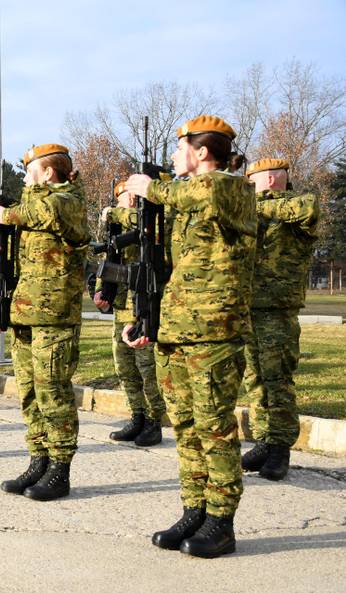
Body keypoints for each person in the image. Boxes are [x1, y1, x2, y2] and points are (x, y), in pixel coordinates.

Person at [123, 115, 256, 558]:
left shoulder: (229, 189)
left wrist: (150, 187)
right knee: (183, 425)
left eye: (181, 149)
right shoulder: (186, 202)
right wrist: (147, 319)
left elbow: (206, 191)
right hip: (178, 330)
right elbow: (164, 268)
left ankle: (222, 521)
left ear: (202, 152)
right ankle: (194, 510)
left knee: (214, 427)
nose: (175, 158)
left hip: (214, 331)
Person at [0, 144, 89, 499]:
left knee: (53, 391)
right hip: (26, 313)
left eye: (31, 170)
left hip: (54, 315)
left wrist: (7, 214)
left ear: (48, 173)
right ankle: (38, 460)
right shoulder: (32, 206)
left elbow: (46, 211)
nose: (26, 177)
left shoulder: (68, 202)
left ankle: (60, 469)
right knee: (30, 393)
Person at [240, 158, 319, 481]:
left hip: (278, 310)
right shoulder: (253, 212)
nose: (248, 187)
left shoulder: (300, 205)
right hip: (249, 308)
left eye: (252, 181)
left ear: (271, 179)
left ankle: (281, 448)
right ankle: (263, 440)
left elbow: (305, 210)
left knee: (278, 381)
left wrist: (256, 206)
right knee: (255, 379)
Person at [93, 182, 165, 446]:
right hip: (122, 306)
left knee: (147, 369)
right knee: (125, 368)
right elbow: (109, 264)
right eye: (126, 197)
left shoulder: (145, 220)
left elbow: (141, 221)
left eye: (134, 196)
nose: (131, 201)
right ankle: (137, 416)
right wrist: (101, 291)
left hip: (142, 304)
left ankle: (154, 421)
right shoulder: (117, 229)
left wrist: (113, 212)